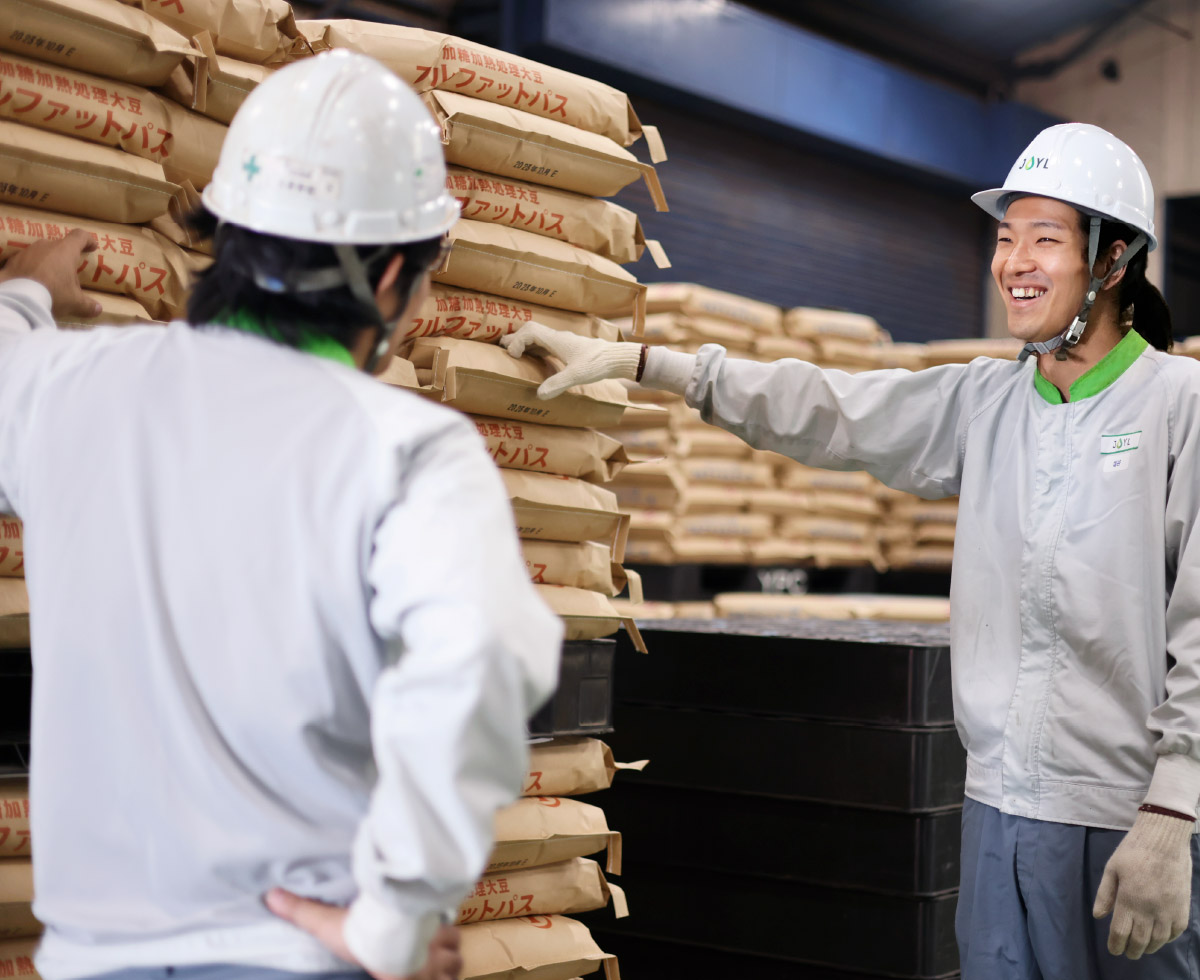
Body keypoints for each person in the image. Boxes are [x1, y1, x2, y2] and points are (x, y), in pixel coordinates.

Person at [502, 122, 1200, 977]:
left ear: (1113, 257)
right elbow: (830, 407)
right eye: (1005, 236)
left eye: (1044, 238)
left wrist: (1173, 813)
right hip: (998, 816)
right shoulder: (988, 402)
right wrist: (645, 362)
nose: (1013, 260)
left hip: (1129, 825)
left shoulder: (1180, 408)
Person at [0, 51, 561, 980]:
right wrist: (395, 921)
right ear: (390, 280)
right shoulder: (409, 450)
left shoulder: (68, 392)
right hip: (295, 953)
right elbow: (477, 673)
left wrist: (26, 293)